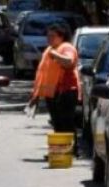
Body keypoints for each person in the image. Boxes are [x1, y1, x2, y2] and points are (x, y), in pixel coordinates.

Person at [28, 22, 81, 154]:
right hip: (53, 93)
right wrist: (35, 95)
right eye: (48, 36)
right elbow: (43, 74)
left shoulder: (66, 47)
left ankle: (72, 150)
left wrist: (56, 55)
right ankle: (60, 151)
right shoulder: (49, 50)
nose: (49, 39)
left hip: (67, 91)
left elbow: (69, 61)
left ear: (61, 36)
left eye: (52, 36)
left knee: (66, 122)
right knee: (57, 123)